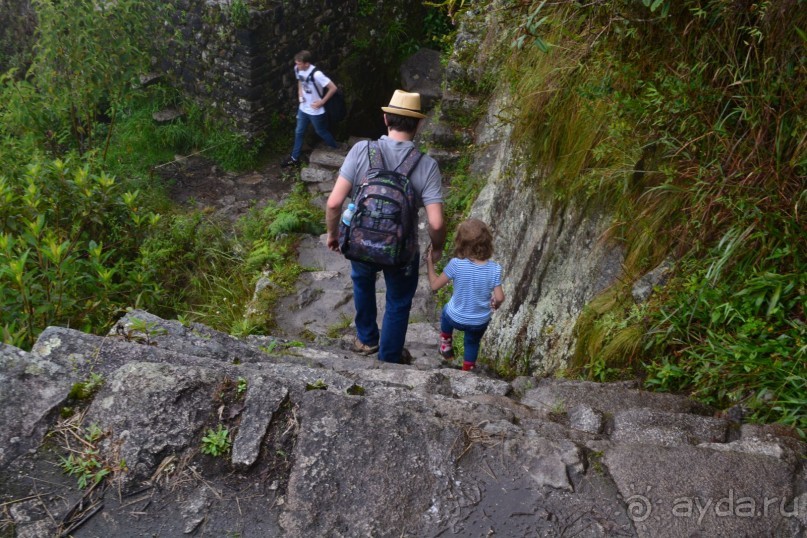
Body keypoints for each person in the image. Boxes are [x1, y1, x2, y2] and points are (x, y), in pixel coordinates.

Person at [326, 90, 446, 363]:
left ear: (385, 119)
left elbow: (334, 203)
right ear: (418, 125)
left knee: (362, 282)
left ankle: (367, 339)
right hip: (401, 249)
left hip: (361, 239)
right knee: (399, 300)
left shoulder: (361, 151)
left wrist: (334, 235)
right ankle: (390, 357)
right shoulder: (426, 166)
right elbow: (436, 222)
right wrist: (436, 248)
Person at [425, 219, 505, 372]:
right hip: (479, 321)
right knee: (472, 342)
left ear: (460, 242)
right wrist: (496, 303)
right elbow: (500, 297)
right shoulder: (494, 269)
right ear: (488, 242)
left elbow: (434, 285)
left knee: (447, 309)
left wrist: (430, 263)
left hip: (455, 318)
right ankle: (467, 370)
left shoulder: (456, 264)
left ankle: (446, 343)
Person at [281, 50, 339, 168]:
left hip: (316, 111)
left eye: (299, 63)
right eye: (296, 63)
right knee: (299, 131)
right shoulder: (298, 69)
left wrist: (322, 102)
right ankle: (294, 158)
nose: (296, 66)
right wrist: (299, 93)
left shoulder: (317, 74)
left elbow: (333, 88)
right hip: (303, 108)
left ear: (307, 64)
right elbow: (300, 81)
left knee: (321, 131)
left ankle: (336, 150)